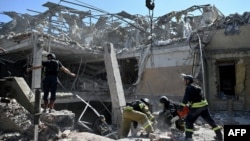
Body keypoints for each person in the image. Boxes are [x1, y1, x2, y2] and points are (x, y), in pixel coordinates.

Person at [180, 73, 223, 141]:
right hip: (204, 106)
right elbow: (198, 97)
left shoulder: (188, 88)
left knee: (189, 120)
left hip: (197, 107)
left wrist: (181, 107)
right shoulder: (197, 87)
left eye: (184, 80)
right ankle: (219, 136)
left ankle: (188, 138)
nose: (183, 81)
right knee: (211, 121)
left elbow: (186, 98)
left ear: (187, 81)